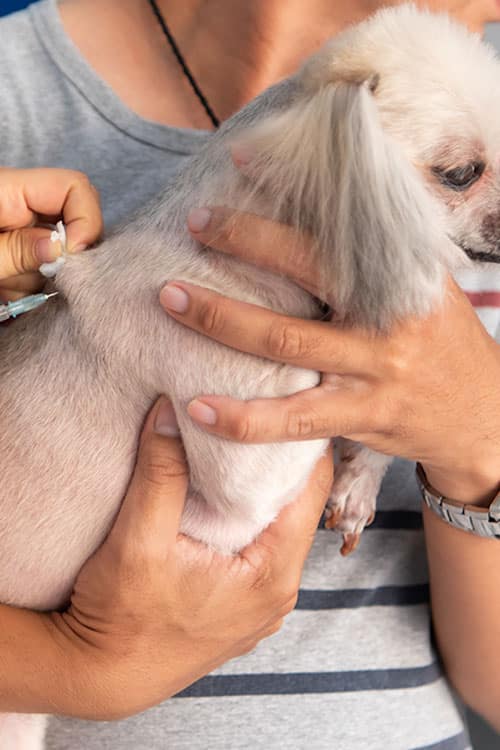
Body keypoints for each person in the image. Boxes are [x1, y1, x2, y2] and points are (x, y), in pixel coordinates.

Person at [0, 0, 499, 747]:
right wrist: (73, 668)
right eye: (459, 175)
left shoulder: (471, 103)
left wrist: (477, 435)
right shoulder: (16, 92)